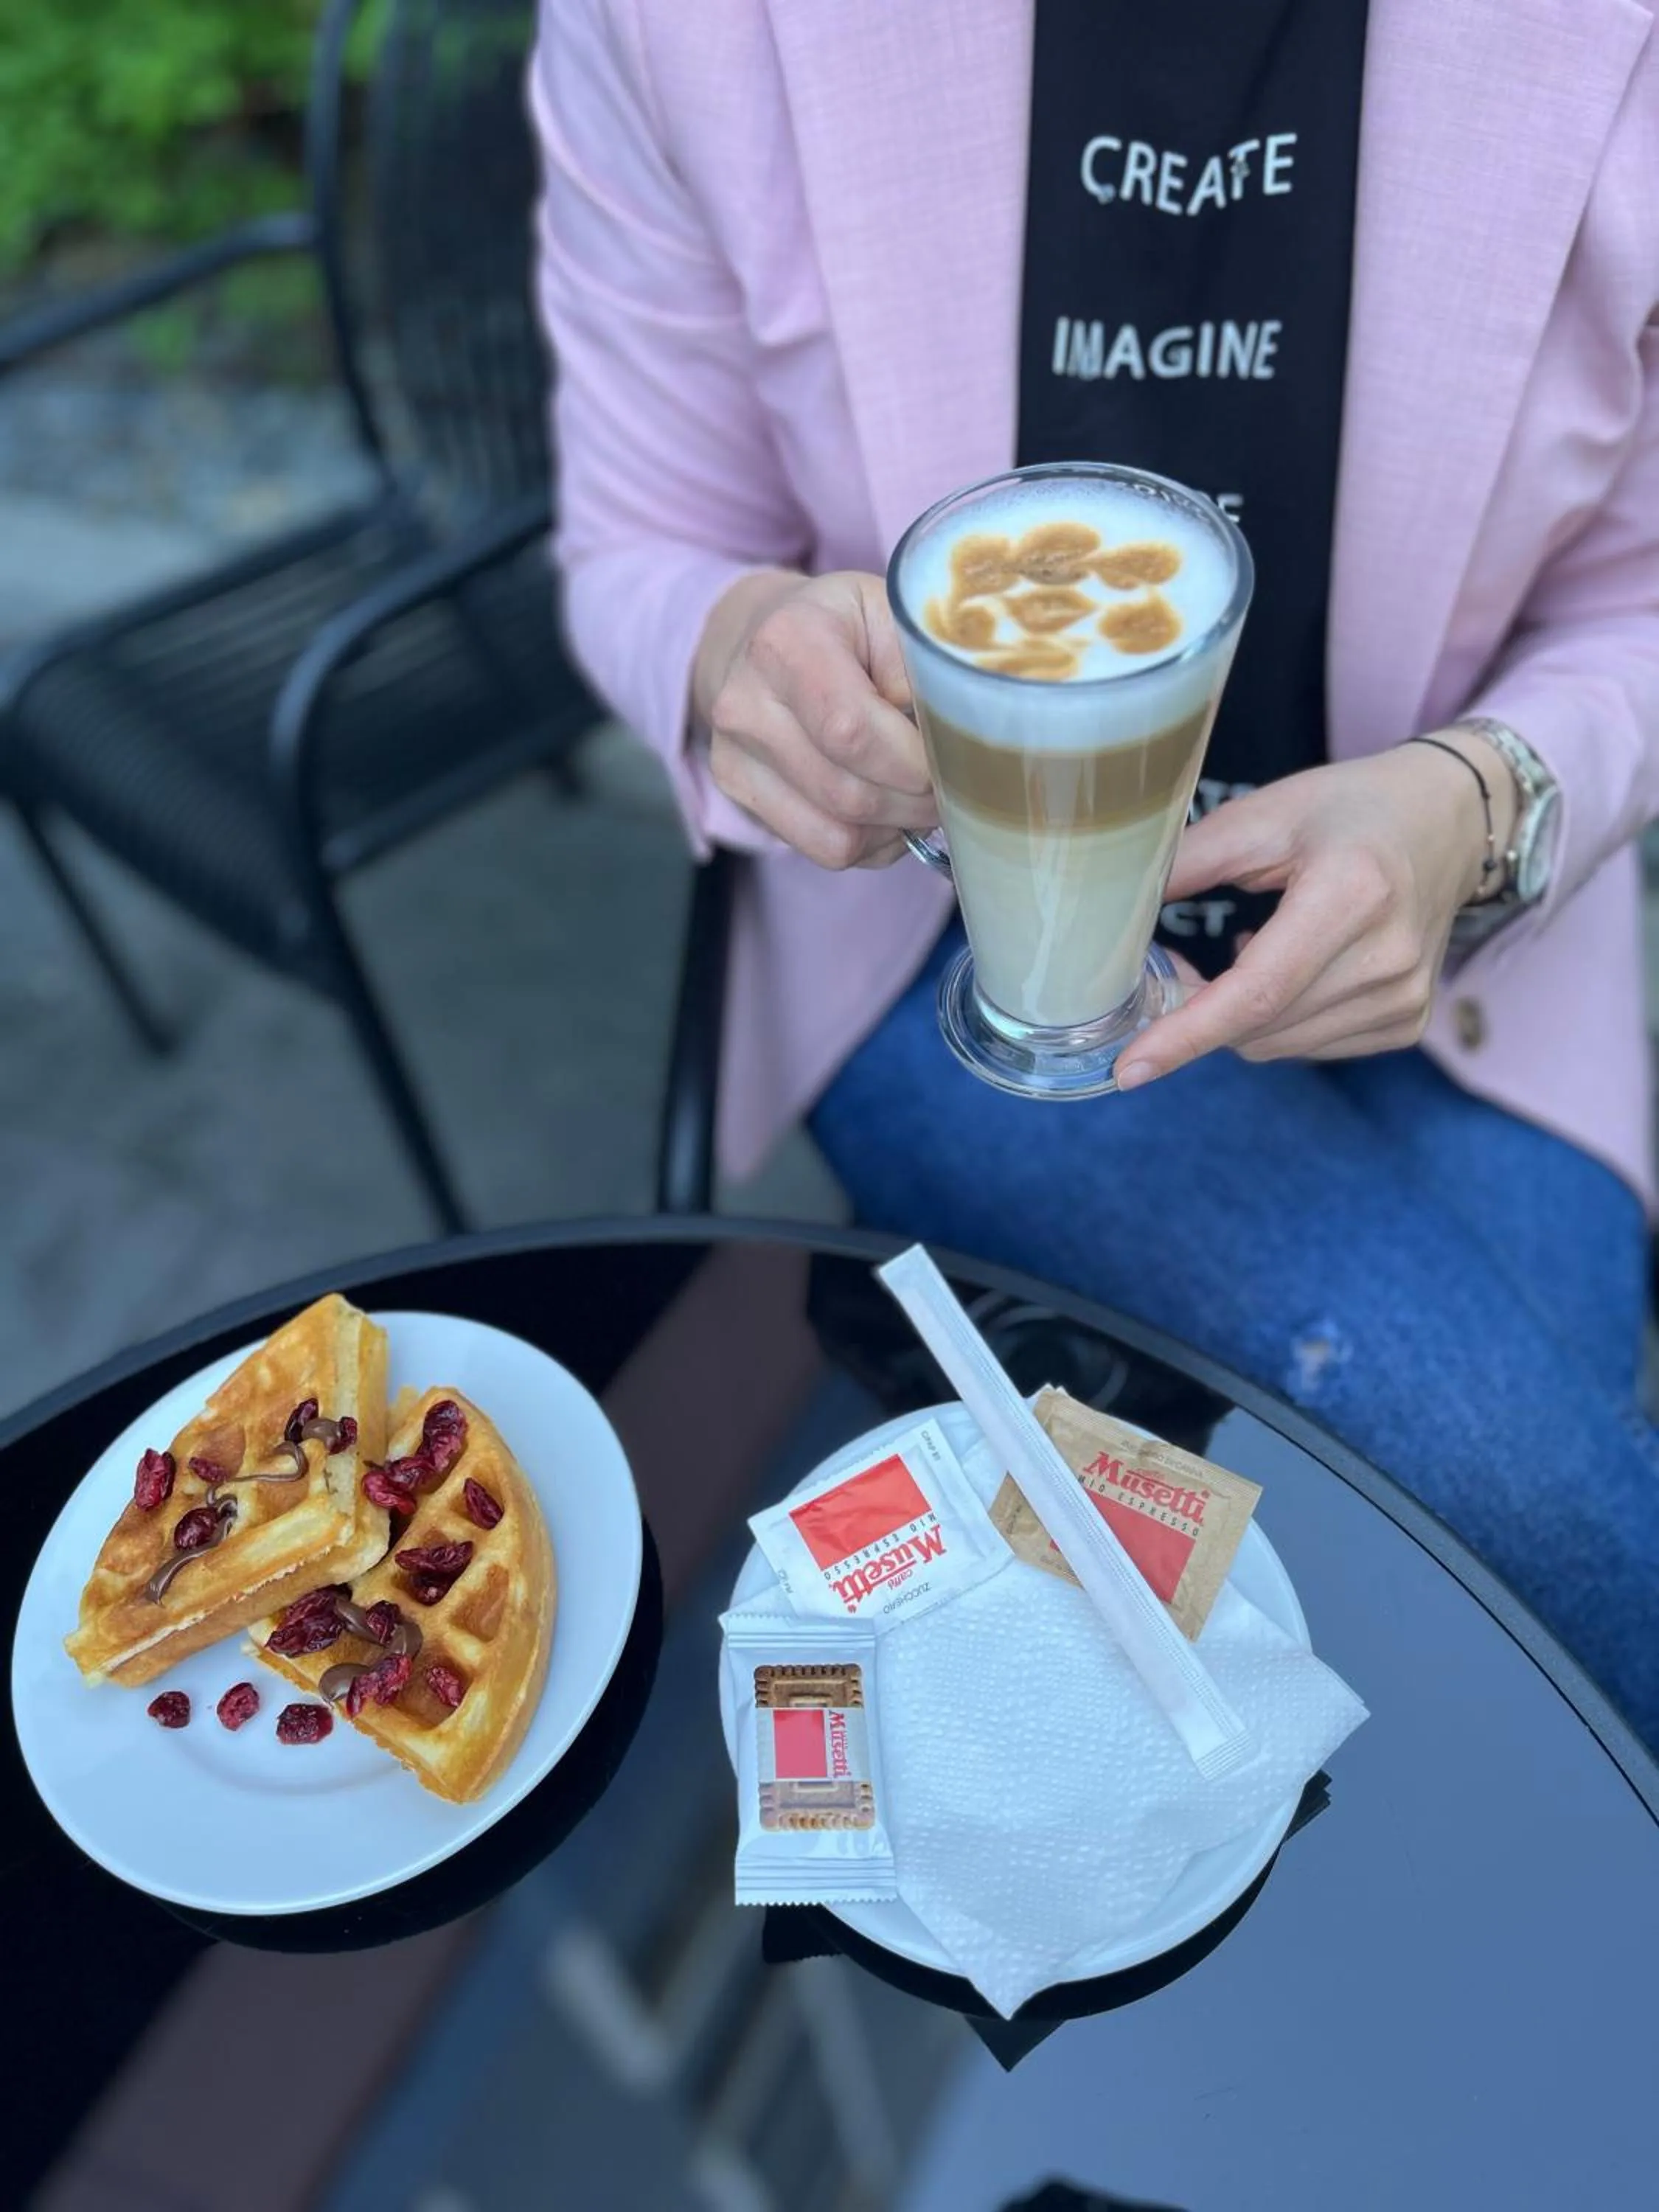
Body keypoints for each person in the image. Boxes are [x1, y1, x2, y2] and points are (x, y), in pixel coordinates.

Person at [532, 2, 1659, 1739]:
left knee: (1499, 1540)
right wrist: (736, 645)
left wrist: (1486, 803)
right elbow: (640, 539)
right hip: (949, 947)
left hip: (1483, 959)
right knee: (1514, 1516)